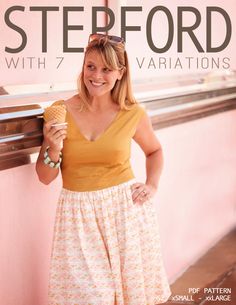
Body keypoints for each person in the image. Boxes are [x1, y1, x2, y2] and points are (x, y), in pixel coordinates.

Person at [36, 33, 172, 305]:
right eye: (91, 66)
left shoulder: (133, 113)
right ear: (83, 67)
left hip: (124, 212)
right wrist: (52, 147)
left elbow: (154, 151)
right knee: (89, 297)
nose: (96, 75)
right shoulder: (59, 111)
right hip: (77, 216)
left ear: (120, 73)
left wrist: (152, 185)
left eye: (106, 69)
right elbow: (45, 177)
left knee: (132, 297)